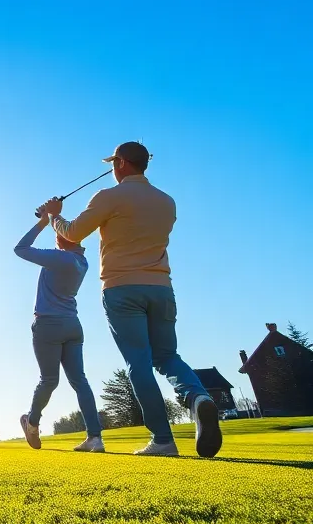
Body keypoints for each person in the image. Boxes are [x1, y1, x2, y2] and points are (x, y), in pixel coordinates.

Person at [39, 141, 222, 458]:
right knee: (167, 356)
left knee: (138, 363)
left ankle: (163, 440)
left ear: (121, 163)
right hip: (161, 288)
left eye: (113, 162)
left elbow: (71, 234)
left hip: (122, 289)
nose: (111, 167)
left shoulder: (109, 196)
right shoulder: (167, 202)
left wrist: (54, 216)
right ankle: (197, 397)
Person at [14, 214, 104, 452]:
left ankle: (31, 423)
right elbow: (67, 236)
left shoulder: (59, 258)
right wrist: (55, 216)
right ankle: (95, 438)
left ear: (66, 239)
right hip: (73, 325)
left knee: (49, 380)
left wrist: (45, 221)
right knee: (80, 381)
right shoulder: (81, 261)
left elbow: (20, 248)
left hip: (48, 325)